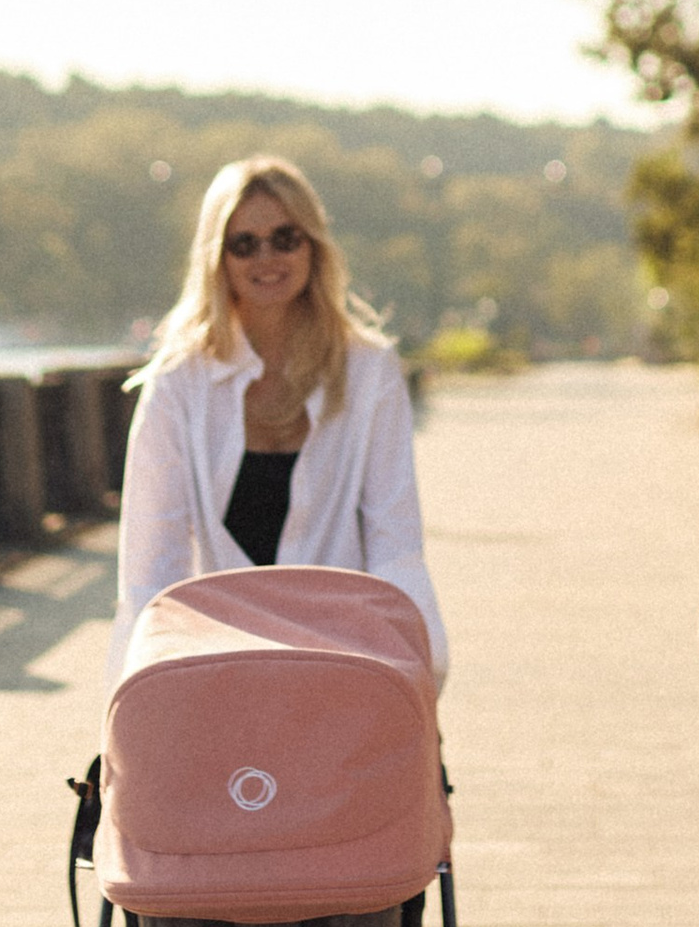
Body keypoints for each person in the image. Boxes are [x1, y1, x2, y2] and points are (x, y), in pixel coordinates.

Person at [109, 154, 446, 688]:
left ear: (313, 244)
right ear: (218, 258)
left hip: (344, 660)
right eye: (244, 243)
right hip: (218, 664)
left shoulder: (369, 370)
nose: (266, 257)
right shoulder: (178, 382)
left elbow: (394, 539)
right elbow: (152, 562)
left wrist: (421, 674)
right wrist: (132, 698)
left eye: (285, 237)